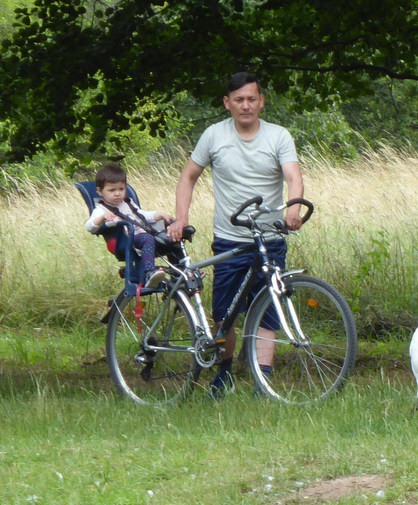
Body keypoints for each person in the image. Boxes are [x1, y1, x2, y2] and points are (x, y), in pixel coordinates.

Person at [168, 72, 303, 395]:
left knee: (268, 309)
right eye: (239, 100)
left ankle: (263, 379)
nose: (246, 106)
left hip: (269, 237)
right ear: (227, 104)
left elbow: (293, 177)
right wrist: (181, 219)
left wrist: (293, 208)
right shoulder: (214, 136)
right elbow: (188, 177)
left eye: (252, 99)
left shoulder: (279, 136)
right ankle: (224, 373)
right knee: (224, 313)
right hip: (229, 238)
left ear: (261, 101)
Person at [85, 161, 172, 295]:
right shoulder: (101, 209)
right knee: (147, 239)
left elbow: (142, 215)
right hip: (127, 240)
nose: (117, 194)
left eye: (121, 189)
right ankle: (150, 273)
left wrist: (157, 215)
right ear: (100, 191)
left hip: (143, 234)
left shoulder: (128, 203)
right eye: (112, 190)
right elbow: (89, 226)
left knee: (173, 237)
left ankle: (182, 271)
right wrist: (102, 218)